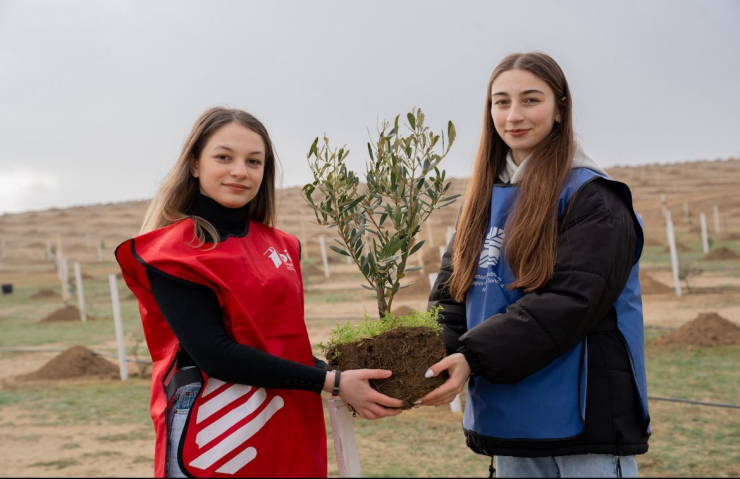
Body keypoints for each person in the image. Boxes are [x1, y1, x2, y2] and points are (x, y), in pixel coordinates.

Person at [115, 107, 403, 478]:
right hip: (217, 420)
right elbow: (214, 354)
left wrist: (340, 375)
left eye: (254, 161)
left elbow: (277, 347)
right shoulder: (172, 251)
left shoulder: (281, 246)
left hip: (286, 407)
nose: (240, 171)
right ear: (194, 165)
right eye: (224, 157)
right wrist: (331, 382)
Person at [419, 52, 650, 478]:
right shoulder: (482, 202)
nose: (513, 115)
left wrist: (470, 355)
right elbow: (453, 299)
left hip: (586, 427)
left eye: (531, 100)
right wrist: (424, 363)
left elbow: (569, 301)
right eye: (501, 102)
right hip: (508, 421)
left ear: (560, 108)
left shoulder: (595, 198)